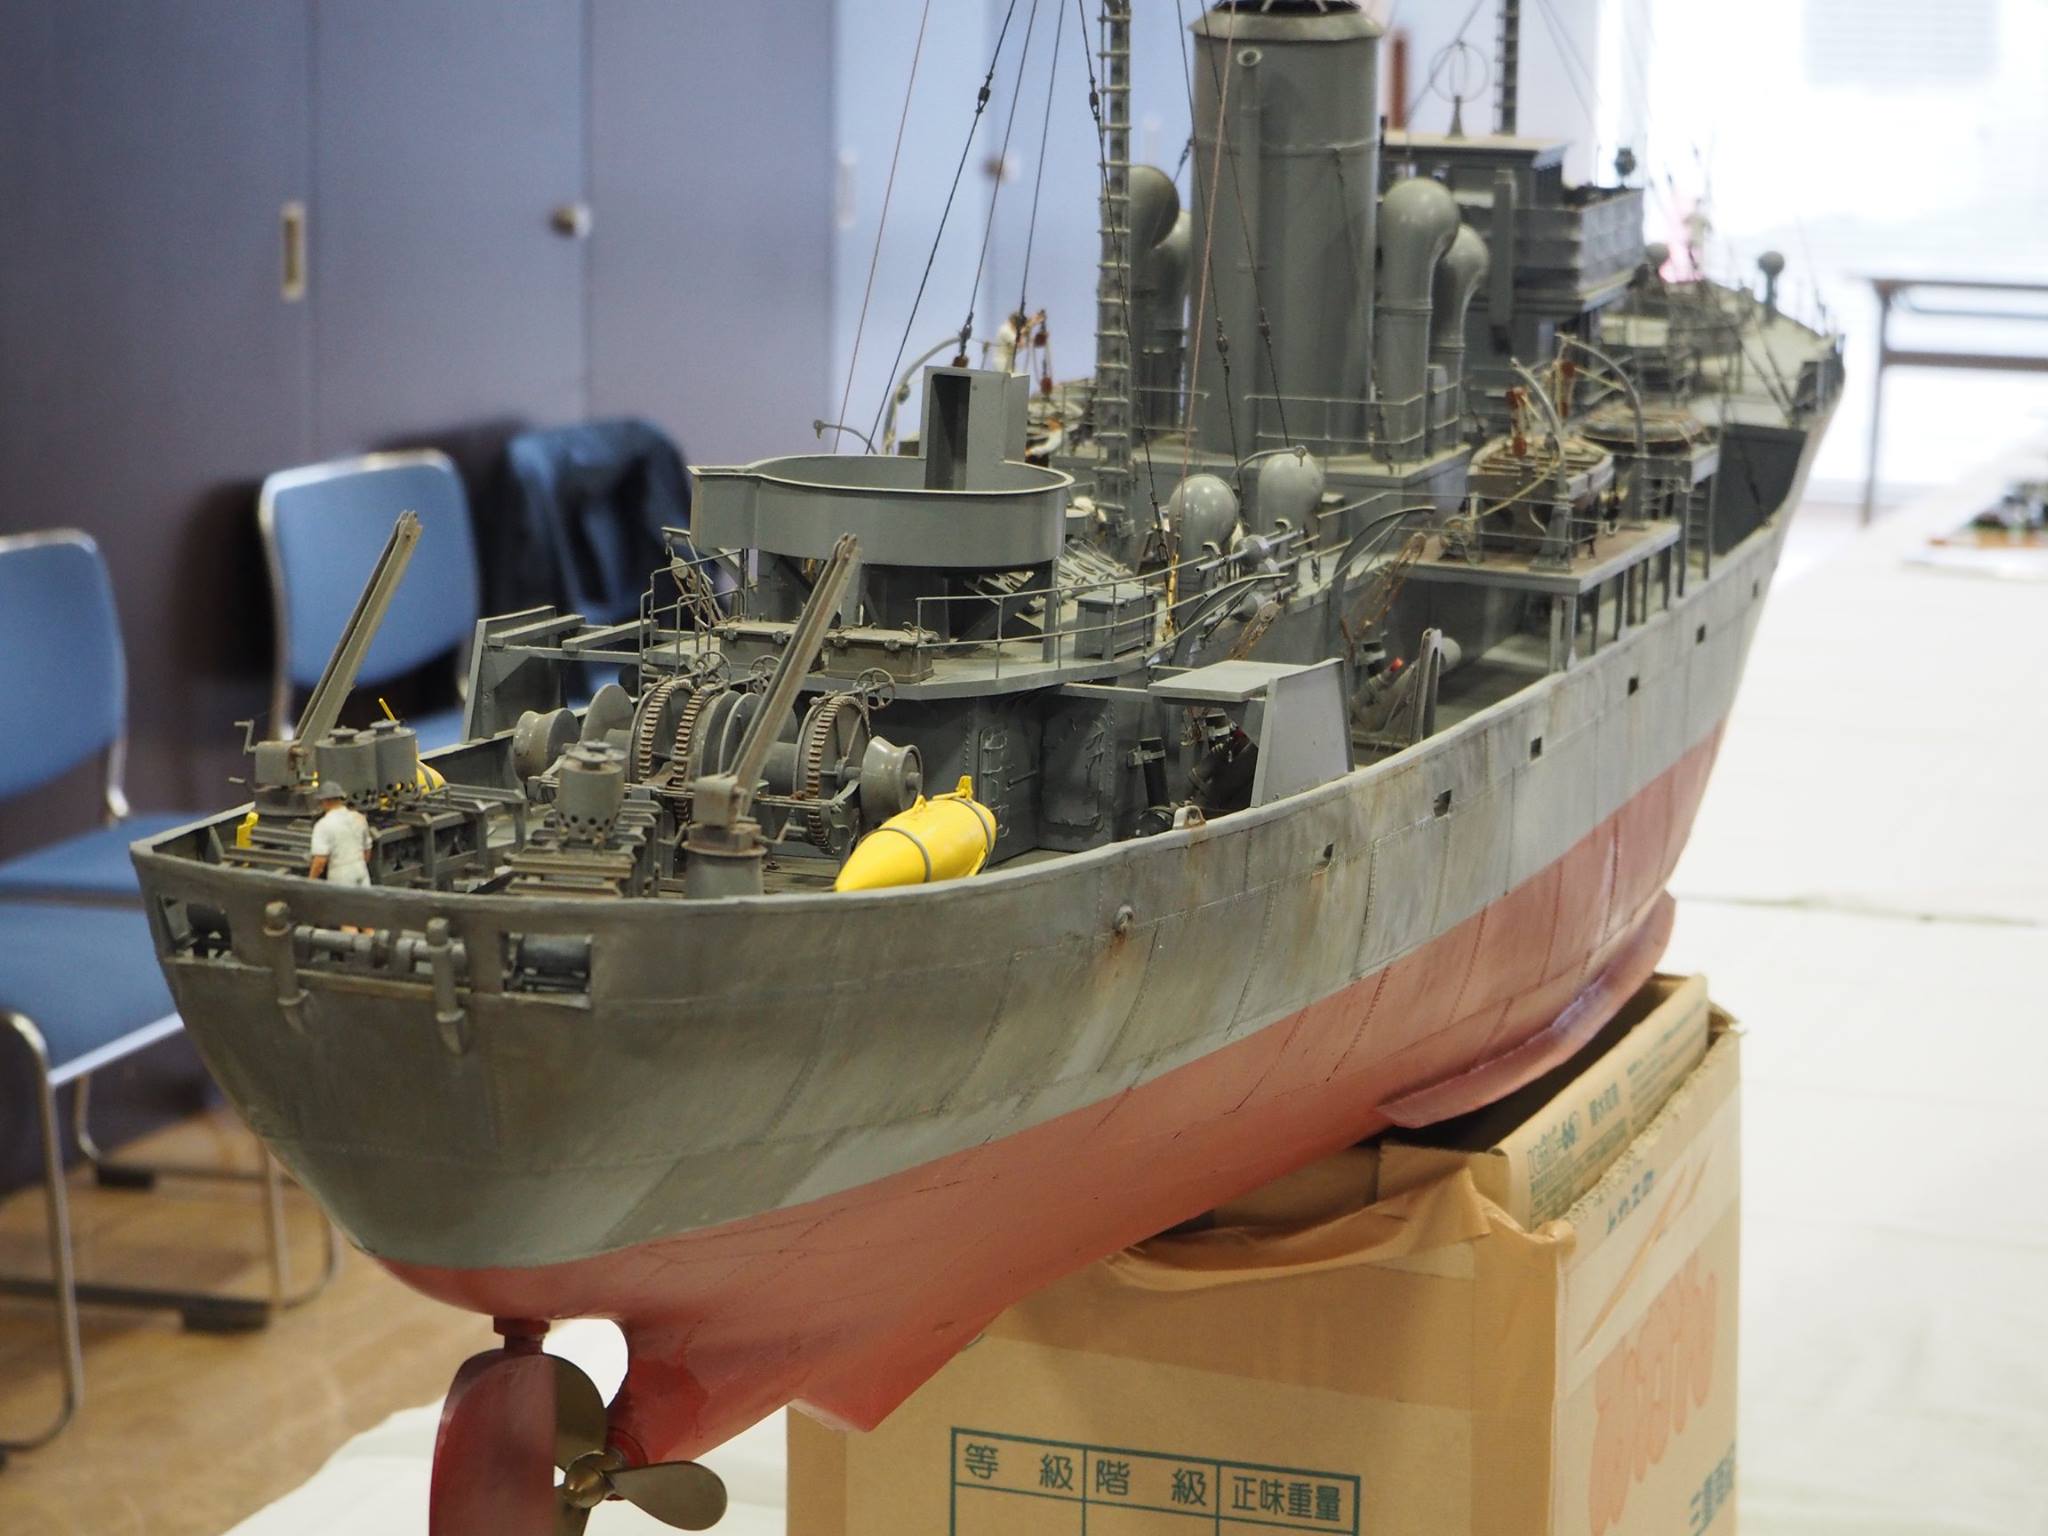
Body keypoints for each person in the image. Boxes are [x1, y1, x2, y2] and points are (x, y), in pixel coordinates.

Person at [308, 785, 374, 886]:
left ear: (325, 801)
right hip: (361, 869)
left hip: (341, 874)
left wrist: (310, 882)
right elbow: (367, 850)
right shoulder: (358, 817)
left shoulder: (323, 824)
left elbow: (320, 861)